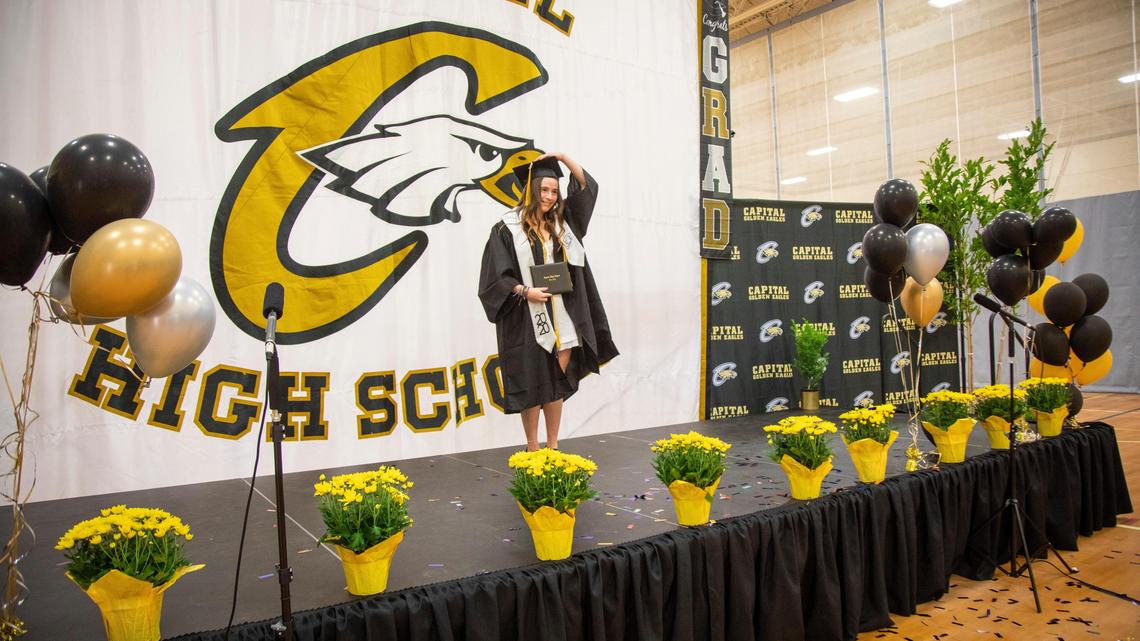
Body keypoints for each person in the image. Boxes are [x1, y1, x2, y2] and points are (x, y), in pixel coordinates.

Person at [478, 152, 618, 451]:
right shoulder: (506, 228)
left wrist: (563, 158)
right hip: (528, 315)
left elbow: (586, 188)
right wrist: (524, 291)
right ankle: (532, 446)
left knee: (556, 381)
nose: (550, 196)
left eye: (554, 191)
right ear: (531, 190)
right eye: (544, 189)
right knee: (533, 382)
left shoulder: (564, 224)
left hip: (564, 314)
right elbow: (494, 277)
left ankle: (553, 445)